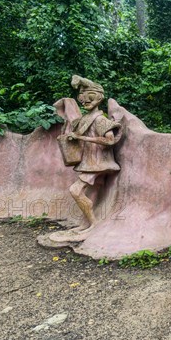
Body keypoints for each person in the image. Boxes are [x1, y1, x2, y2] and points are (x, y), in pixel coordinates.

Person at [50, 76, 121, 242]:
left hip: (98, 164)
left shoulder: (100, 120)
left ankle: (94, 223)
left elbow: (110, 140)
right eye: (81, 97)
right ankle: (86, 223)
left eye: (89, 96)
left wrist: (84, 139)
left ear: (98, 97)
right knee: (88, 193)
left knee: (75, 191)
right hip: (88, 163)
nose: (84, 101)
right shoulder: (85, 119)